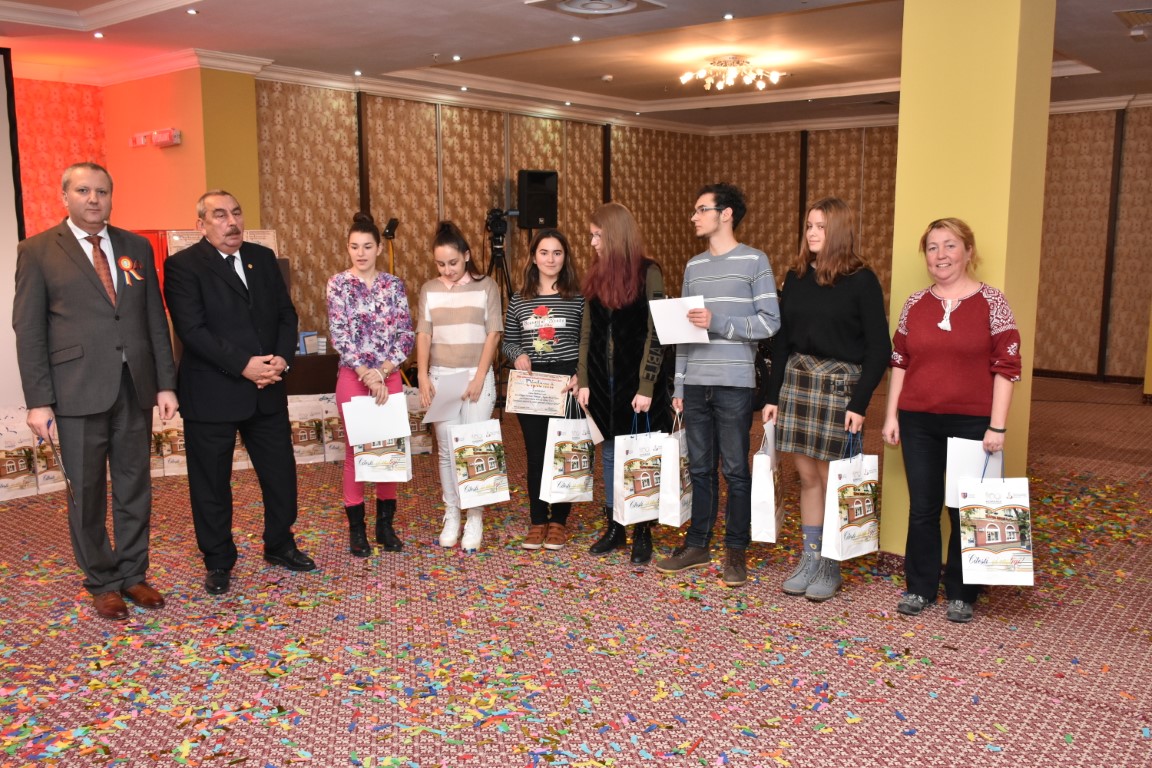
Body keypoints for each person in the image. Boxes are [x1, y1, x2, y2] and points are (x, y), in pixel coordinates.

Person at [13, 162, 178, 621]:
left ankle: (133, 574)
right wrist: (39, 401)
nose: (93, 199)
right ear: (64, 196)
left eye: (101, 191)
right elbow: (29, 330)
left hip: (134, 387)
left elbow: (154, 319)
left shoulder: (135, 247)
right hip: (75, 392)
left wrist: (166, 383)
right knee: (86, 493)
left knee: (134, 487)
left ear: (110, 196)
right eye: (83, 190)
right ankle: (102, 582)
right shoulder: (37, 250)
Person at [163, 190, 315, 596]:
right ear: (201, 224)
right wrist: (245, 365)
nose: (231, 222)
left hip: (267, 389)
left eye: (236, 212)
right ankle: (218, 560)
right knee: (211, 484)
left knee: (280, 475)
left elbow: (286, 314)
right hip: (212, 392)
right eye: (219, 215)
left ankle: (280, 544)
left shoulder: (262, 258)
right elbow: (192, 330)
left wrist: (281, 359)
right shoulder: (182, 266)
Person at [882, 218, 1022, 624]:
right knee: (923, 508)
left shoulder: (993, 302)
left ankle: (962, 592)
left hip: (972, 424)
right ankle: (920, 587)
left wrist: (997, 425)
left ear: (968, 252)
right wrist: (891, 415)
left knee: (965, 509)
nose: (940, 255)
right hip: (918, 421)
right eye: (932, 247)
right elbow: (899, 362)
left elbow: (1007, 367)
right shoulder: (914, 304)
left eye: (949, 245)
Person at [761, 197, 890, 602]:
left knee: (834, 479)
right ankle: (811, 557)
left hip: (839, 389)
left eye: (821, 226)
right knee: (808, 478)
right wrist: (772, 395)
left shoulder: (861, 280)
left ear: (839, 231)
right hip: (798, 384)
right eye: (809, 226)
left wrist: (860, 403)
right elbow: (782, 342)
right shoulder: (796, 276)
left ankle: (831, 563)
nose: (812, 233)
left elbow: (880, 349)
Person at [654, 183, 780, 587]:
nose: (693, 216)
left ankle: (736, 550)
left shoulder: (755, 261)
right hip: (695, 383)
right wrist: (679, 384)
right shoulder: (693, 267)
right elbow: (683, 332)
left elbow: (770, 322)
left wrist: (719, 323)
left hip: (734, 383)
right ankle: (697, 544)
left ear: (726, 214)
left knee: (736, 470)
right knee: (701, 468)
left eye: (701, 209)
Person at [576, 202, 671, 565]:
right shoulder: (596, 274)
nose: (593, 243)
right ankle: (616, 525)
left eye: (597, 235)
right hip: (603, 382)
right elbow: (587, 333)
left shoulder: (649, 272)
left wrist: (646, 386)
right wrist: (585, 379)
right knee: (611, 453)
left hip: (638, 382)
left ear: (615, 234)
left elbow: (657, 333)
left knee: (642, 457)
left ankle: (643, 529)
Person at [326, 212, 415, 556]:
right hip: (354, 376)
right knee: (356, 451)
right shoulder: (338, 284)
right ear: (348, 248)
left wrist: (384, 371)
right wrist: (367, 373)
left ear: (379, 248)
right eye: (354, 246)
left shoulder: (393, 285)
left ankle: (385, 527)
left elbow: (406, 334)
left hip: (388, 376)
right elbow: (339, 335)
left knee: (388, 451)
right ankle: (357, 530)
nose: (360, 253)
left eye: (367, 246)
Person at [416, 221, 502, 552]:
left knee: (474, 447)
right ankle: (452, 512)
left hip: (476, 375)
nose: (447, 270)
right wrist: (423, 375)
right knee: (447, 449)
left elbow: (493, 333)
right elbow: (424, 334)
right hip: (442, 377)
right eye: (440, 264)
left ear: (466, 255)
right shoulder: (429, 289)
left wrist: (479, 376)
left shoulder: (486, 286)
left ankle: (475, 516)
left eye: (453, 262)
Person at [502, 228, 583, 551]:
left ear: (565, 257)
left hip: (567, 382)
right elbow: (509, 341)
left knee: (564, 451)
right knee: (536, 454)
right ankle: (538, 519)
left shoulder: (578, 298)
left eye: (557, 253)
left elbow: (588, 342)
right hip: (532, 383)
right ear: (534, 257)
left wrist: (580, 375)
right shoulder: (519, 299)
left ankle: (559, 520)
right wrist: (517, 355)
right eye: (544, 252)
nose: (551, 259)